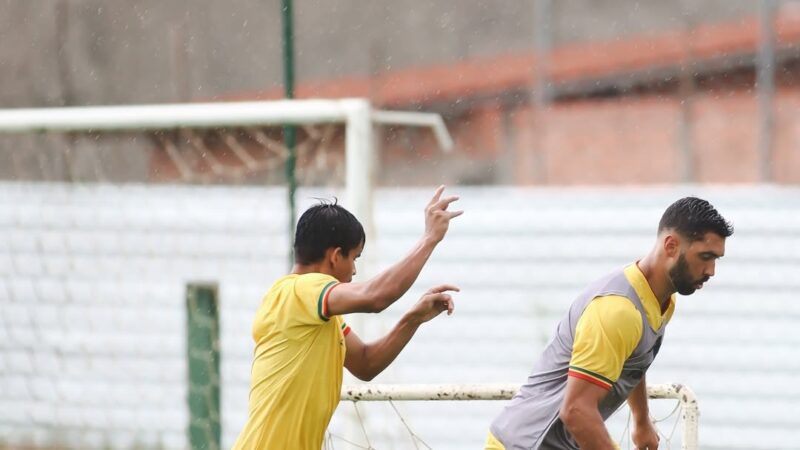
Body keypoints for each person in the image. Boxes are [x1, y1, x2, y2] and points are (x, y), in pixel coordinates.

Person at [486, 197, 733, 450]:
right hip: (523, 444)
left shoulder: (661, 299)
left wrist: (641, 419)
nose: (711, 270)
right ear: (671, 246)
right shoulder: (617, 311)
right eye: (705, 256)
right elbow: (576, 411)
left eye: (716, 259)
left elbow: (633, 355)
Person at [232, 186, 462, 450]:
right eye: (354, 258)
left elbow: (366, 363)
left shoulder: (320, 316)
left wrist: (413, 319)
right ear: (334, 256)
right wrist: (429, 239)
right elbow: (376, 296)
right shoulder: (298, 291)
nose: (354, 270)